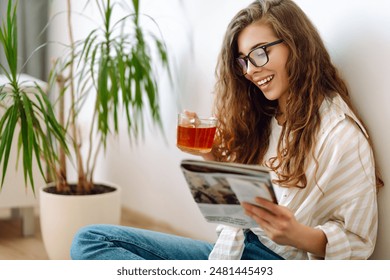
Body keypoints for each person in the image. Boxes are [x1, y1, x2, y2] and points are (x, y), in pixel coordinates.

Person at [70, 0, 383, 260]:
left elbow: (359, 243)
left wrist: (298, 235)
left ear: (296, 45)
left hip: (276, 260)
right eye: (244, 61)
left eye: (261, 53)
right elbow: (242, 209)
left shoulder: (342, 136)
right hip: (234, 251)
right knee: (91, 240)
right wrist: (211, 156)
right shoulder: (268, 119)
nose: (251, 71)